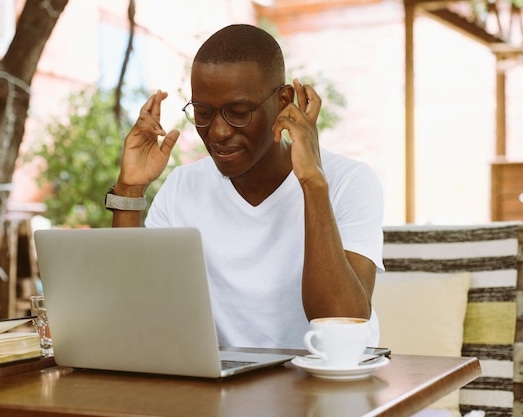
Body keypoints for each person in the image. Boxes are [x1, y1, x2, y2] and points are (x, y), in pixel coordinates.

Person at [107, 24, 384, 349]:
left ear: (283, 102)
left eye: (238, 113)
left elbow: (341, 323)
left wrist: (311, 182)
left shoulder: (348, 182)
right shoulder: (182, 187)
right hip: (222, 390)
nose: (219, 132)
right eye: (203, 112)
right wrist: (129, 190)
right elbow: (128, 312)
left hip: (327, 387)